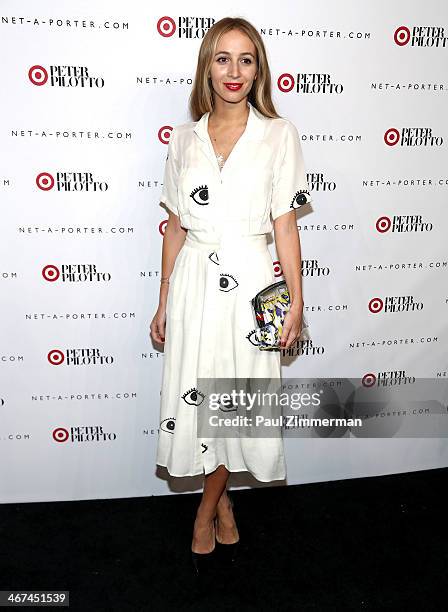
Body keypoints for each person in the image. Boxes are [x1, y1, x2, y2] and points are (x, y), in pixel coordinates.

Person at [150, 16, 312, 574]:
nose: (234, 71)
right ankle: (222, 501)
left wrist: (295, 300)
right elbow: (174, 226)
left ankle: (205, 509)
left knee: (235, 403)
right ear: (207, 67)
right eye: (223, 58)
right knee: (199, 399)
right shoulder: (184, 138)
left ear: (258, 68)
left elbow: (285, 225)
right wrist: (165, 295)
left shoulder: (278, 133)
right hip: (195, 278)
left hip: (251, 279)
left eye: (246, 59)